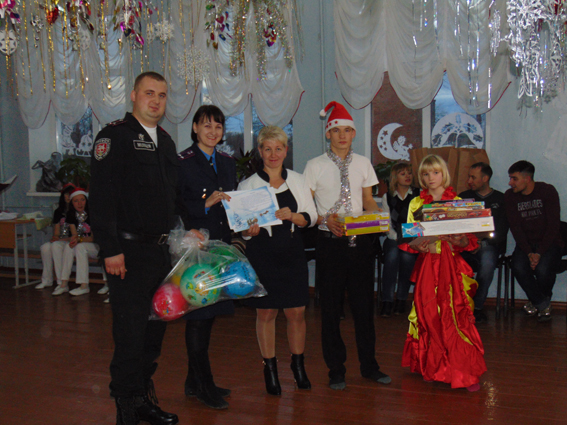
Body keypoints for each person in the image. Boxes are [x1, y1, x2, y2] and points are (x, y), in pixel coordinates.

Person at [90, 71, 199, 425]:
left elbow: (172, 197)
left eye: (162, 95)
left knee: (154, 332)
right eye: (149, 93)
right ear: (134, 96)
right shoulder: (115, 136)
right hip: (127, 254)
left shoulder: (165, 141)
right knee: (130, 334)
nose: (156, 101)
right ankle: (125, 408)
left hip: (160, 254)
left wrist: (187, 227)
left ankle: (141, 399)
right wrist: (110, 249)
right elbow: (101, 198)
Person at [304, 101, 391, 390]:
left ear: (354, 134)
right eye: (336, 130)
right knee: (330, 309)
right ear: (328, 134)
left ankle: (369, 366)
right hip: (329, 243)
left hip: (360, 243)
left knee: (364, 307)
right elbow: (306, 206)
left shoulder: (363, 163)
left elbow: (367, 200)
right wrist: (324, 220)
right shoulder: (314, 165)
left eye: (347, 130)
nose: (342, 135)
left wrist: (379, 218)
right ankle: (336, 369)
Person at [238, 125, 318, 396]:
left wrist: (294, 216)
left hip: (292, 252)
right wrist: (248, 231)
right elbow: (241, 226)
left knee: (296, 312)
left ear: (286, 150)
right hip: (262, 253)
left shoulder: (298, 180)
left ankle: (298, 367)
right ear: (260, 151)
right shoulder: (247, 185)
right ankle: (270, 369)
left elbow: (312, 216)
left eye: (279, 149)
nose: (273, 154)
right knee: (266, 312)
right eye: (268, 149)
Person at [401, 154, 486, 392]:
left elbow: (467, 241)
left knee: (455, 316)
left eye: (435, 172)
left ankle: (464, 372)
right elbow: (411, 238)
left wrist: (458, 240)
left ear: (444, 174)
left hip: (452, 267)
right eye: (426, 174)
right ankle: (433, 366)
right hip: (428, 266)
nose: (431, 178)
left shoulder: (457, 202)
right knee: (428, 315)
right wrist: (420, 243)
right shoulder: (416, 203)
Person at [177, 105, 235, 410]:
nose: (213, 132)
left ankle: (193, 380)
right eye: (207, 126)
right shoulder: (182, 162)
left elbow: (234, 203)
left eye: (218, 127)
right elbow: (173, 204)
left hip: (220, 249)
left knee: (208, 317)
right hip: (195, 249)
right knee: (198, 318)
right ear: (195, 128)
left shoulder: (226, 162)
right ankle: (204, 385)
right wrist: (204, 205)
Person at [505, 160, 562, 322]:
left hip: (549, 242)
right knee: (518, 267)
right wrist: (530, 252)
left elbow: (553, 225)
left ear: (527, 179)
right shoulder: (510, 196)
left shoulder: (547, 191)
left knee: (543, 269)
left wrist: (539, 253)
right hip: (525, 244)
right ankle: (542, 304)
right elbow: (515, 228)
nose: (510, 183)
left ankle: (537, 302)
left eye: (514, 179)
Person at [458, 162, 508, 323]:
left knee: (487, 265)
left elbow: (502, 231)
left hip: (489, 245)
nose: (469, 181)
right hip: (464, 244)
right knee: (449, 261)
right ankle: (458, 306)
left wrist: (480, 242)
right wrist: (468, 242)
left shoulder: (501, 199)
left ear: (485, 178)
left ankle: (477, 307)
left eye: (473, 177)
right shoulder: (463, 197)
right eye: (469, 177)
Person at [379, 162, 419, 317]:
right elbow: (386, 224)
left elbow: (421, 223)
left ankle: (401, 299)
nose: (408, 176)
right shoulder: (387, 197)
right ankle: (387, 301)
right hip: (393, 237)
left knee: (407, 257)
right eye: (403, 174)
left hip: (413, 237)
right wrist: (397, 237)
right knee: (392, 256)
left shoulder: (418, 195)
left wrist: (407, 237)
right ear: (395, 177)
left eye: (409, 173)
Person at [54, 188, 100, 296]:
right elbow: (75, 235)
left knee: (80, 247)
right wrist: (74, 240)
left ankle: (84, 285)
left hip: (96, 246)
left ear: (86, 201)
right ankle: (64, 284)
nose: (80, 203)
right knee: (69, 246)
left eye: (82, 200)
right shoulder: (71, 215)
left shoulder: (93, 214)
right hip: (82, 245)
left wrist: (79, 240)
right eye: (76, 201)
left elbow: (94, 238)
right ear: (72, 203)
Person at [36, 183, 75, 291]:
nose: (68, 196)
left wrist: (60, 240)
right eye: (66, 194)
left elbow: (77, 234)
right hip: (61, 239)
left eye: (70, 194)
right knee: (45, 247)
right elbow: (56, 232)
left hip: (71, 240)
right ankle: (46, 280)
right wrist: (55, 237)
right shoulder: (58, 211)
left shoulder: (77, 211)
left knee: (56, 246)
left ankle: (61, 282)